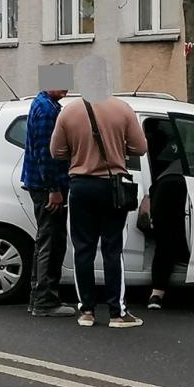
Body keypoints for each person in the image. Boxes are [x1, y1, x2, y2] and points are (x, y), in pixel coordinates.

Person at [51, 89, 148, 328]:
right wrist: (118, 148)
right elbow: (141, 148)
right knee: (112, 249)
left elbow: (56, 152)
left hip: (81, 187)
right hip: (112, 187)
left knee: (83, 250)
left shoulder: (68, 112)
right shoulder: (123, 109)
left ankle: (86, 311)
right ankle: (118, 312)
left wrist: (78, 153)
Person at [142, 120, 194, 312]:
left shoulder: (165, 149)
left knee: (165, 244)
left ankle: (157, 294)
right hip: (183, 192)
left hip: (166, 190)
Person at [22, 67, 76, 318]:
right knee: (52, 242)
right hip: (47, 187)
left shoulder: (44, 104)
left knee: (46, 239)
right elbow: (48, 153)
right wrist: (54, 189)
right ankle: (45, 300)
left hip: (41, 184)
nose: (66, 89)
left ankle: (38, 297)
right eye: (61, 84)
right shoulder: (47, 111)